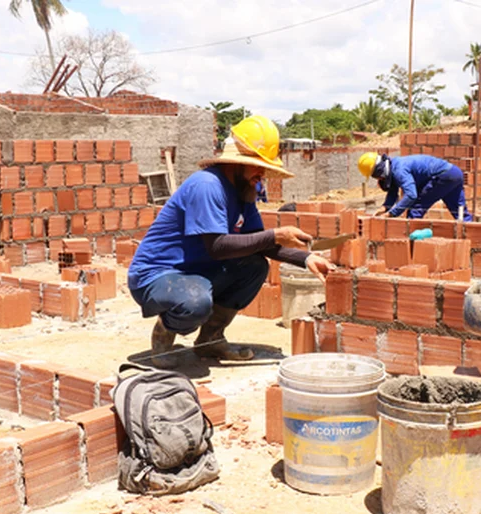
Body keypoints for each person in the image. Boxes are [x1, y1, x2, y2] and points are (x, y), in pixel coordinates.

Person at [126, 115, 334, 363]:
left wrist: (307, 258)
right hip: (157, 275)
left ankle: (209, 340)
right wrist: (277, 234)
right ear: (237, 163)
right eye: (257, 166)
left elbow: (258, 242)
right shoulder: (208, 185)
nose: (263, 174)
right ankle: (164, 332)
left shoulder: (243, 191)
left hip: (197, 272)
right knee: (195, 302)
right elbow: (217, 247)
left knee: (254, 266)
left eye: (266, 168)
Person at [357, 152, 474, 221]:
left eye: (375, 177)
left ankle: (412, 245)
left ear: (378, 172)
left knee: (416, 208)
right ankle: (471, 241)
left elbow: (411, 195)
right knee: (461, 215)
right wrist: (383, 209)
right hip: (455, 173)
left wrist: (391, 214)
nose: (378, 180)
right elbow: (393, 193)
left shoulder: (399, 170)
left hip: (442, 176)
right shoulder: (394, 166)